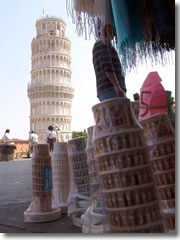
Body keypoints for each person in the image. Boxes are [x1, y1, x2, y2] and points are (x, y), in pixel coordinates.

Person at [92, 25, 127, 102]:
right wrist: (117, 86)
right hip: (111, 90)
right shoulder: (102, 43)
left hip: (110, 90)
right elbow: (107, 66)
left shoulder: (104, 44)